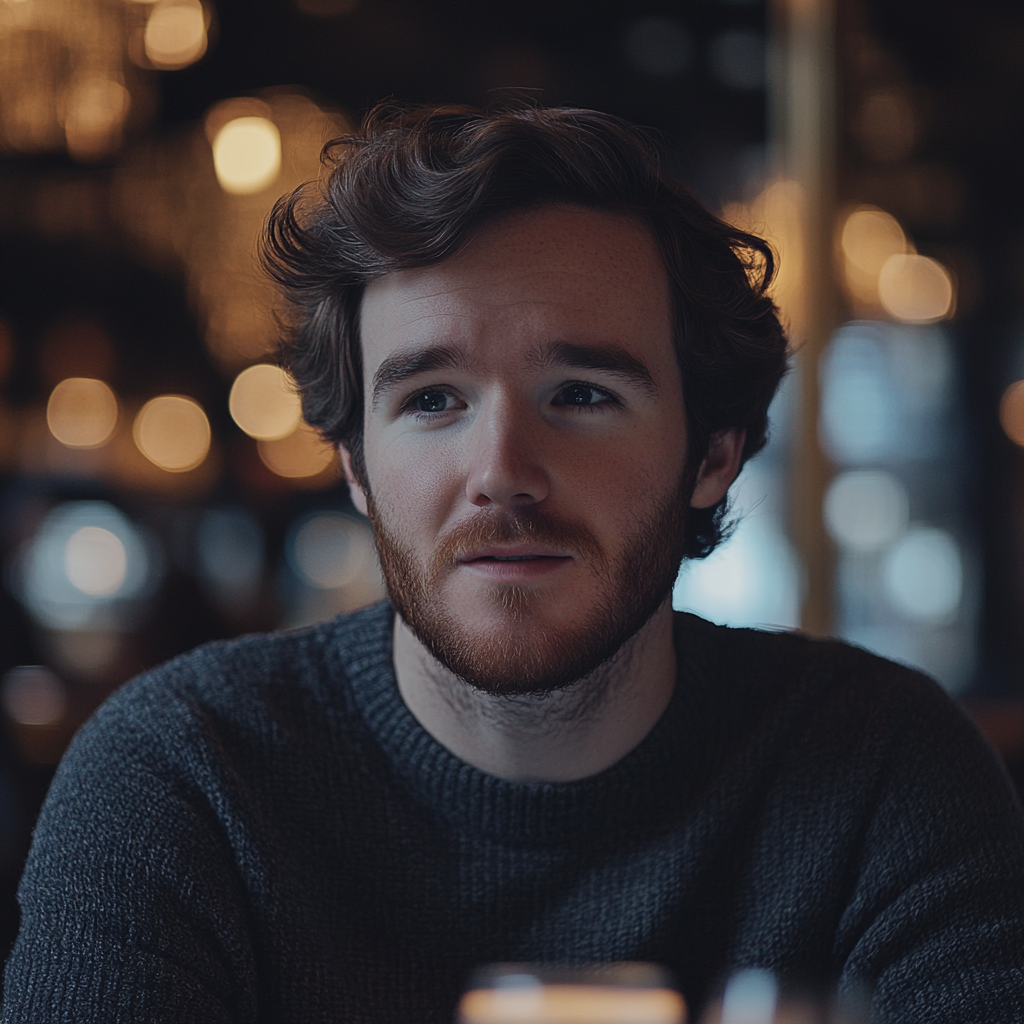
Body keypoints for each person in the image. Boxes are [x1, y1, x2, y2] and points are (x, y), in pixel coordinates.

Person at [4, 103, 1023, 1024]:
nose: (500, 473)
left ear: (711, 451)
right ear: (355, 464)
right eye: (432, 399)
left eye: (581, 394)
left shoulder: (885, 773)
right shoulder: (183, 778)